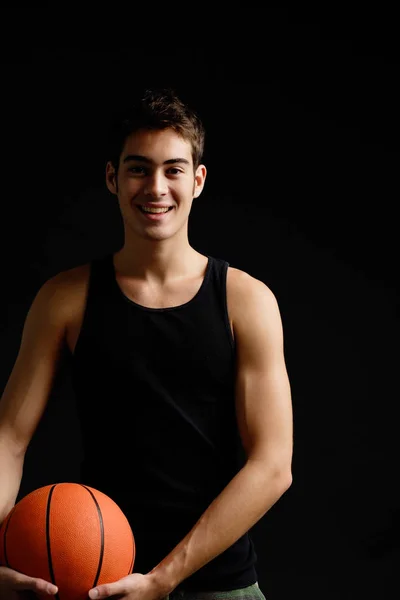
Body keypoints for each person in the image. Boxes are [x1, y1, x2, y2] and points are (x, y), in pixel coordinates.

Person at [0, 87, 293, 600]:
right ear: (113, 177)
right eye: (138, 168)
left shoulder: (246, 301)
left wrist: (165, 578)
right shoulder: (66, 299)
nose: (155, 187)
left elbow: (272, 465)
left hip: (218, 583)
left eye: (173, 169)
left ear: (197, 181)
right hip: (97, 578)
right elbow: (8, 437)